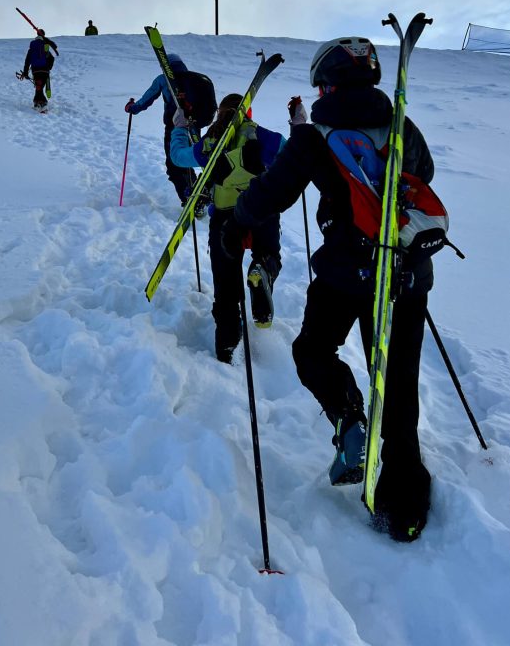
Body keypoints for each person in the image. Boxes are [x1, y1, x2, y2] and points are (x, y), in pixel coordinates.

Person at [224, 36, 435, 542]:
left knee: (313, 350)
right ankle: (403, 506)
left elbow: (272, 189)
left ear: (329, 81)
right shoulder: (401, 121)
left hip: (346, 273)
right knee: (398, 380)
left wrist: (237, 226)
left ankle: (349, 418)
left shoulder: (316, 134)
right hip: (405, 275)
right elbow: (423, 176)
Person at [171, 93, 293, 363]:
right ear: (248, 113)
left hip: (225, 219)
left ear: (220, 114)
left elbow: (179, 158)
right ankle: (263, 270)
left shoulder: (212, 141)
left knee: (226, 287)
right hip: (262, 213)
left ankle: (227, 347)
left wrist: (179, 129)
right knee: (269, 255)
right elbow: (293, 157)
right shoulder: (264, 137)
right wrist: (297, 126)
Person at [124, 54, 195, 205]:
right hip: (194, 126)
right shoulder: (192, 79)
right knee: (187, 161)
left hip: (174, 127)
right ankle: (198, 195)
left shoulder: (163, 79)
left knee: (174, 165)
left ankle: (189, 200)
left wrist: (132, 108)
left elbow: (147, 99)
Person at [20, 29, 59, 109]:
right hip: (45, 70)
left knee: (39, 87)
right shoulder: (45, 46)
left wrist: (26, 73)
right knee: (40, 87)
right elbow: (51, 58)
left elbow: (27, 61)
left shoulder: (32, 48)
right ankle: (41, 103)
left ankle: (39, 102)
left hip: (35, 71)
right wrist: (49, 67)